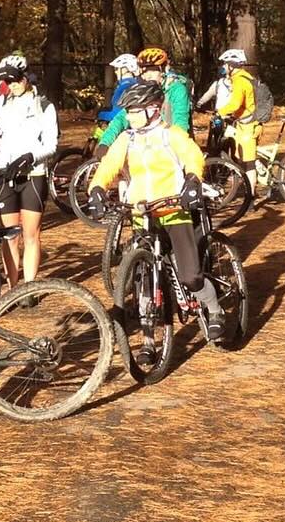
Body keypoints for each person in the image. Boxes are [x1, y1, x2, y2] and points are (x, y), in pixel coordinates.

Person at [87, 80, 223, 350]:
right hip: (142, 213)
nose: (129, 116)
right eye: (128, 112)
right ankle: (148, 339)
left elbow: (192, 156)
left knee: (190, 276)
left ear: (152, 109)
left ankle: (214, 308)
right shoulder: (127, 138)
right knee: (143, 280)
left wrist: (194, 180)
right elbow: (108, 165)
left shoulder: (170, 134)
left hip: (173, 209)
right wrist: (97, 189)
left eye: (135, 111)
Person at [0, 61, 58, 286]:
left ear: (27, 78)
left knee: (31, 234)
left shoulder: (43, 105)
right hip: (5, 172)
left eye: (17, 79)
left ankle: (28, 288)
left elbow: (51, 145)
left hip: (33, 173)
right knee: (9, 236)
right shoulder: (1, 103)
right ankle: (12, 286)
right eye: (8, 81)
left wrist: (31, 157)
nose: (13, 85)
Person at [98, 47, 191, 153]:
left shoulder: (176, 89)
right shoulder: (142, 90)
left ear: (163, 69)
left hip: (170, 144)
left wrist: (176, 145)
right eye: (144, 71)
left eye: (153, 69)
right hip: (146, 142)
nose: (148, 75)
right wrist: (105, 143)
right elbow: (122, 117)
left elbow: (180, 121)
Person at [215, 48, 260, 199]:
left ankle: (251, 197)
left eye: (225, 64)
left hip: (248, 125)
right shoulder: (246, 77)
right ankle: (249, 190)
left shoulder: (240, 80)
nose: (224, 67)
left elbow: (235, 103)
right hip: (246, 122)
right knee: (244, 159)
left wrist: (221, 111)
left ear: (231, 66)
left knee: (249, 163)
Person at [98, 54, 141, 131]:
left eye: (117, 69)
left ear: (125, 69)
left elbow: (118, 113)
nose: (115, 72)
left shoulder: (124, 87)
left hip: (124, 127)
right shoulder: (136, 83)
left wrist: (101, 115)